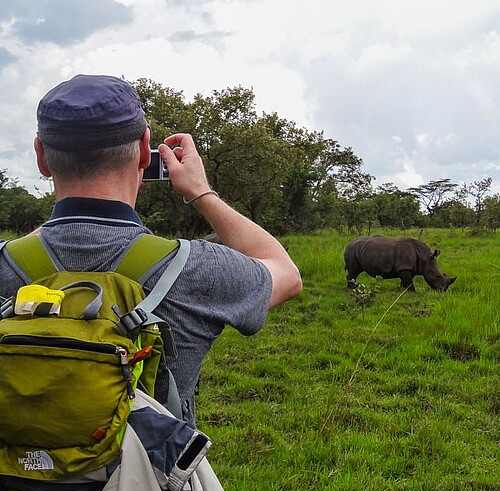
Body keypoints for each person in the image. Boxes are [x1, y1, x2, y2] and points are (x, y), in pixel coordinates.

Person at [0, 74, 303, 430]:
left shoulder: (5, 264)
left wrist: (59, 221)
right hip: (147, 483)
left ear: (41, 157)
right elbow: (285, 273)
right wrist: (201, 193)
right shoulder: (193, 267)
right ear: (146, 150)